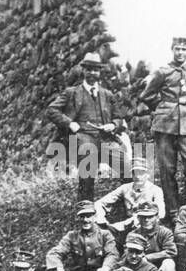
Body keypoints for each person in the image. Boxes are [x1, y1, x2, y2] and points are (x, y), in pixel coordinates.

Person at [45, 53, 126, 203]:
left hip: (105, 138)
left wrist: (113, 124)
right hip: (82, 137)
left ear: (100, 72)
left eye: (95, 70)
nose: (92, 73)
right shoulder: (71, 93)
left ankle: (128, 204)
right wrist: (69, 123)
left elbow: (119, 117)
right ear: (83, 70)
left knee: (125, 167)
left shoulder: (107, 94)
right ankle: (85, 209)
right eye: (89, 69)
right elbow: (51, 110)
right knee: (88, 167)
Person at [138, 37, 186, 220]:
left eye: (184, 49)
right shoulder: (162, 72)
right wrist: (164, 105)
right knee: (167, 168)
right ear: (172, 50)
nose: (181, 53)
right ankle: (173, 210)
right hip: (165, 125)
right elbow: (146, 95)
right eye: (177, 49)